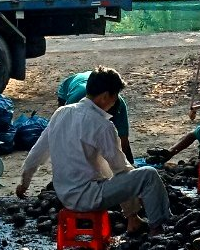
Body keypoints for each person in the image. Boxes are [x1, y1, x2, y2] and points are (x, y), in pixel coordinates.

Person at [16, 67, 170, 234]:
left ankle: (133, 221)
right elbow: (120, 167)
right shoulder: (102, 125)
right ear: (105, 96)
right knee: (148, 175)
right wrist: (139, 191)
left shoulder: (61, 113)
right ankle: (158, 227)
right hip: (88, 196)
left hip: (64, 194)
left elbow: (37, 152)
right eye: (115, 96)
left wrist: (24, 183)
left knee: (119, 171)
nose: (115, 101)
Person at [58, 71, 133, 163]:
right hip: (69, 88)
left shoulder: (119, 105)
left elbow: (123, 136)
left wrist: (124, 160)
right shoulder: (73, 104)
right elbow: (67, 131)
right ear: (104, 98)